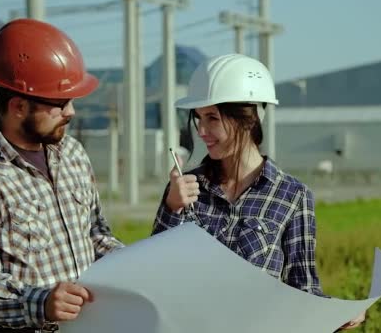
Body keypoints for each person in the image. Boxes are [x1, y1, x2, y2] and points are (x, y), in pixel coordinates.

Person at [151, 53, 365, 330]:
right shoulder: (186, 188)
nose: (202, 130)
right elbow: (155, 273)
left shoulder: (292, 196)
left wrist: (335, 313)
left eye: (213, 118)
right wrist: (172, 208)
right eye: (199, 118)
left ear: (249, 119)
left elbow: (302, 285)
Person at [0, 18, 123, 332]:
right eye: (60, 103)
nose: (71, 112)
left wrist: (136, 264)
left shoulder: (72, 153)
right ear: (19, 106)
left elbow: (96, 235)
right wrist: (41, 303)